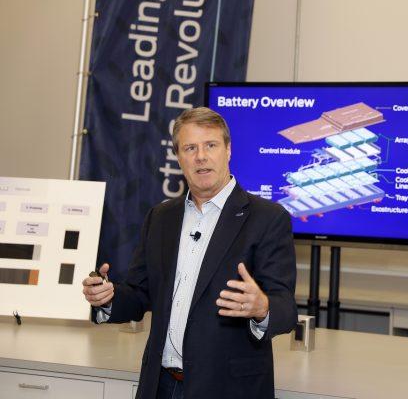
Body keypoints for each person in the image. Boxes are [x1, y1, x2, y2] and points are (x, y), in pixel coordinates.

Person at [82, 107, 297, 399]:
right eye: (190, 148)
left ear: (228, 150)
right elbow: (139, 294)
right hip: (161, 385)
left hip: (228, 390)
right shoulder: (161, 217)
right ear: (178, 157)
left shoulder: (267, 218)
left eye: (211, 145)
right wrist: (108, 298)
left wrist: (263, 308)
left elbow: (286, 308)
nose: (201, 156)